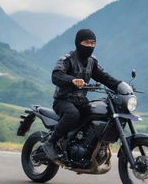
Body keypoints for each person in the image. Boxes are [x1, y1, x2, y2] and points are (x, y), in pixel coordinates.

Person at [43, 28, 122, 159]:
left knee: (99, 113)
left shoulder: (92, 62)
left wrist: (120, 85)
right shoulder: (67, 59)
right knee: (72, 114)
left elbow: (103, 77)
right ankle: (51, 143)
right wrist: (72, 80)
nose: (90, 46)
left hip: (80, 101)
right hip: (63, 100)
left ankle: (85, 150)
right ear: (78, 43)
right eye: (87, 42)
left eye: (93, 43)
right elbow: (56, 76)